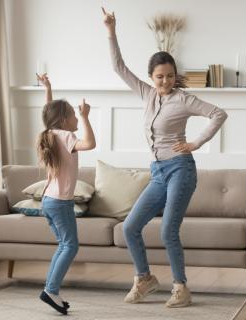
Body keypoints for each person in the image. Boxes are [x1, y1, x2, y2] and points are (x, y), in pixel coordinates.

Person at [102, 8, 228, 308]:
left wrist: (196, 142)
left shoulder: (183, 99)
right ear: (151, 77)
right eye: (160, 77)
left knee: (167, 229)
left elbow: (218, 114)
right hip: (158, 172)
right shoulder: (146, 94)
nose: (165, 81)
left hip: (181, 170)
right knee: (131, 227)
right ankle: (144, 278)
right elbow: (119, 67)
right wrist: (111, 32)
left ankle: (181, 288)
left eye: (170, 76)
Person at [36, 73, 96, 315]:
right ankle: (51, 289)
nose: (76, 118)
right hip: (60, 203)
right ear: (64, 119)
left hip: (49, 202)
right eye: (73, 114)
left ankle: (51, 291)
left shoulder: (50, 135)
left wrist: (48, 89)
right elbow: (90, 143)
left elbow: (48, 113)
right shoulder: (67, 137)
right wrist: (86, 117)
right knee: (70, 246)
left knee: (64, 245)